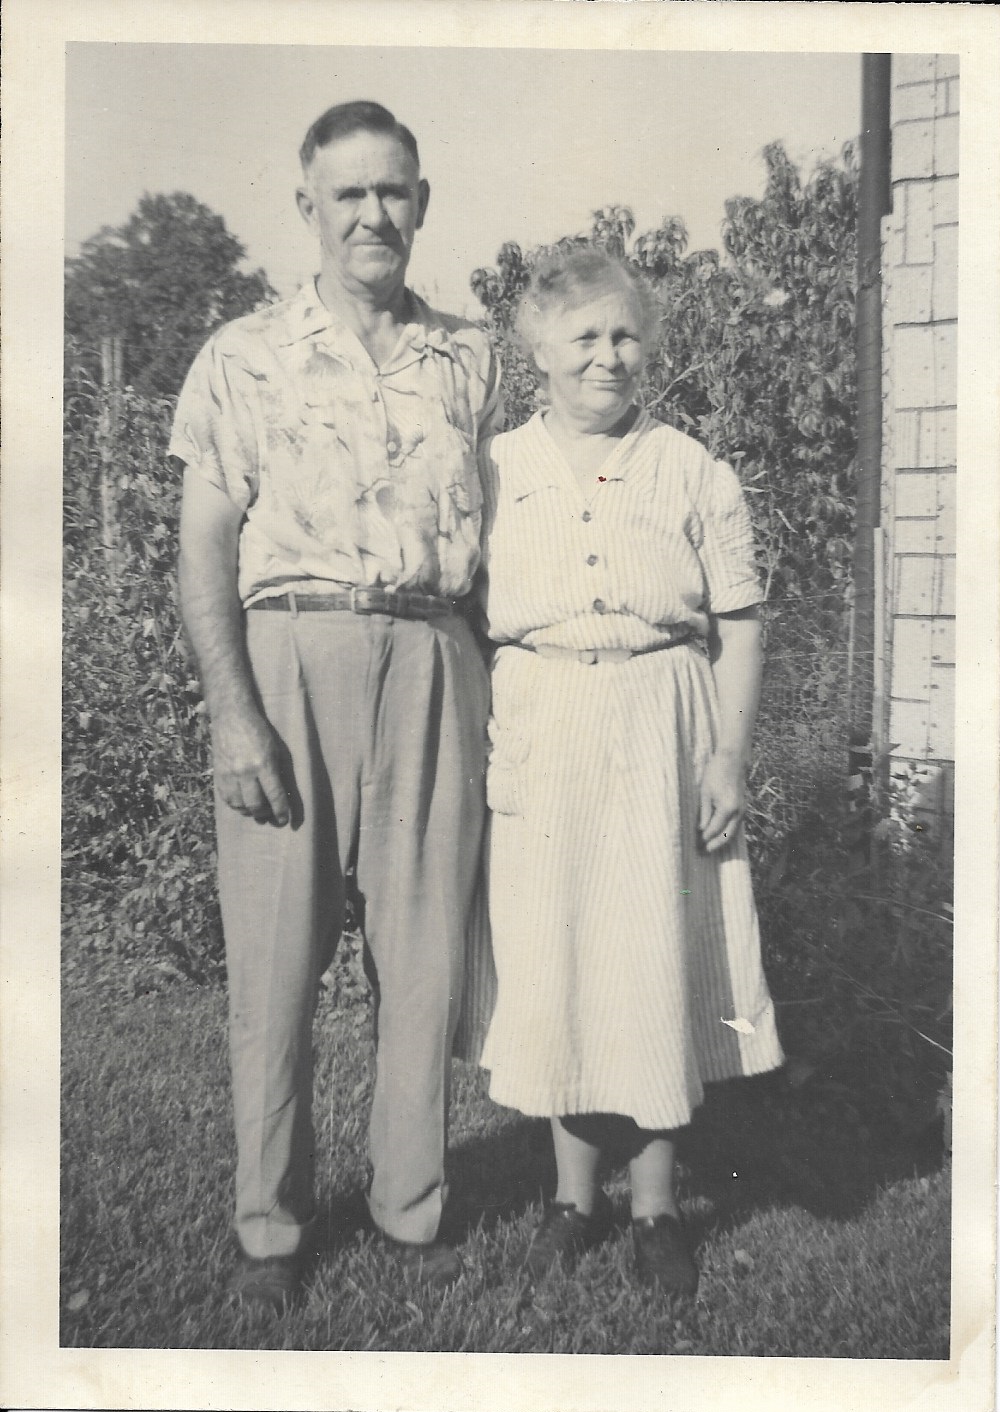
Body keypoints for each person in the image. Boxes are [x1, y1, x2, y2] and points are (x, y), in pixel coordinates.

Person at [172, 101, 500, 1307]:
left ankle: (409, 1205)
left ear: (423, 201)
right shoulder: (242, 353)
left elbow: (503, 538)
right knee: (273, 968)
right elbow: (203, 543)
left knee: (422, 962)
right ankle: (270, 1224)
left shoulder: (471, 358)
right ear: (306, 206)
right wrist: (233, 710)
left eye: (394, 191)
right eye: (348, 193)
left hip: (432, 660)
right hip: (289, 657)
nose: (373, 214)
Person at [477, 248, 783, 1296]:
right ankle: (573, 1196)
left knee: (650, 953)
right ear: (539, 355)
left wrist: (728, 756)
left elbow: (739, 625)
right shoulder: (494, 468)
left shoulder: (692, 467)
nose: (608, 357)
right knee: (558, 953)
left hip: (663, 715)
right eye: (585, 338)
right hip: (542, 716)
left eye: (625, 335)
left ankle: (654, 1207)